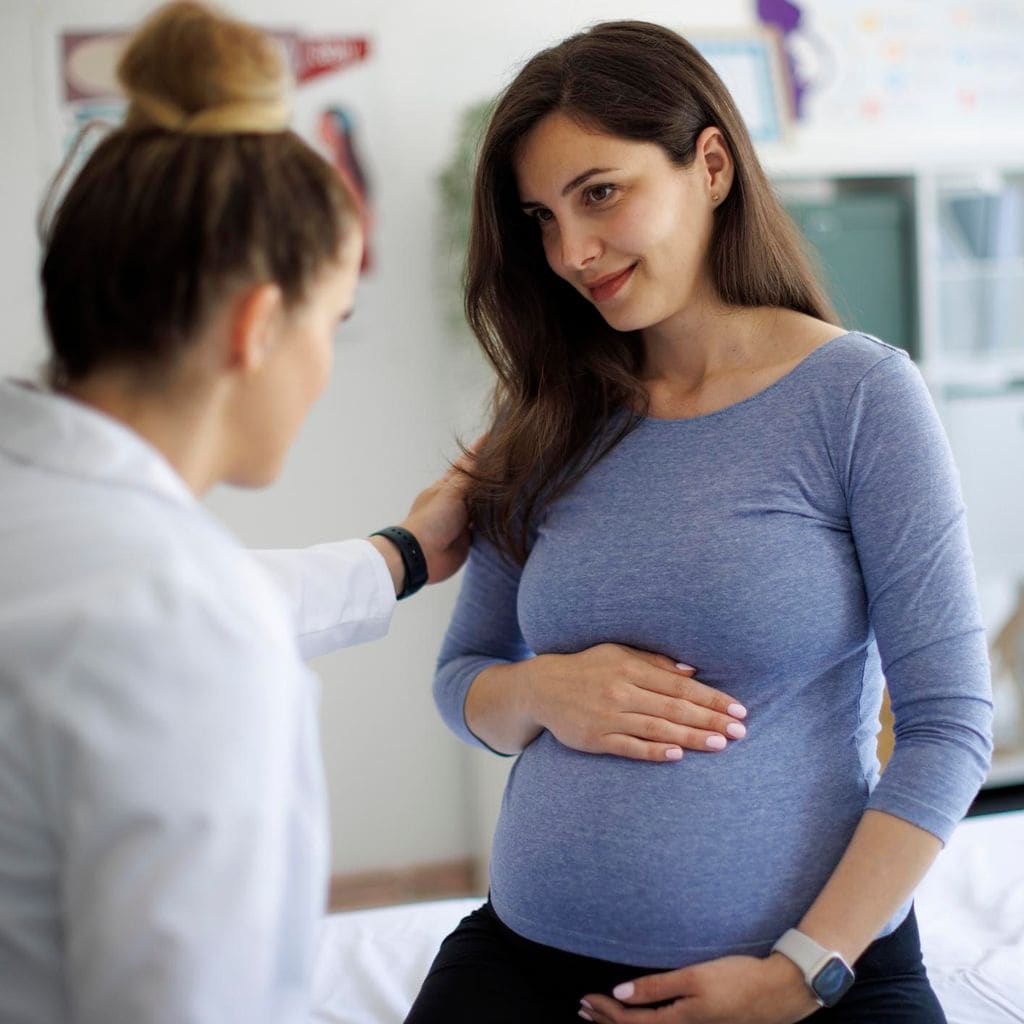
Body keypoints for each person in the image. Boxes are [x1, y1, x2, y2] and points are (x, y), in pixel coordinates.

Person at [407, 20, 994, 1024]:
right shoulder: (547, 413)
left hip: (808, 970)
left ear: (710, 163)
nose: (571, 250)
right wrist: (547, 689)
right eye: (541, 218)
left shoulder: (856, 396)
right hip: (528, 961)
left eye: (600, 193)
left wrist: (800, 970)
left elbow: (948, 726)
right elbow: (464, 682)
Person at [0, 3, 470, 1022]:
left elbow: (129, 611)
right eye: (331, 322)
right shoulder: (187, 626)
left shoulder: (54, 522)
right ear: (259, 325)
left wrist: (403, 554)